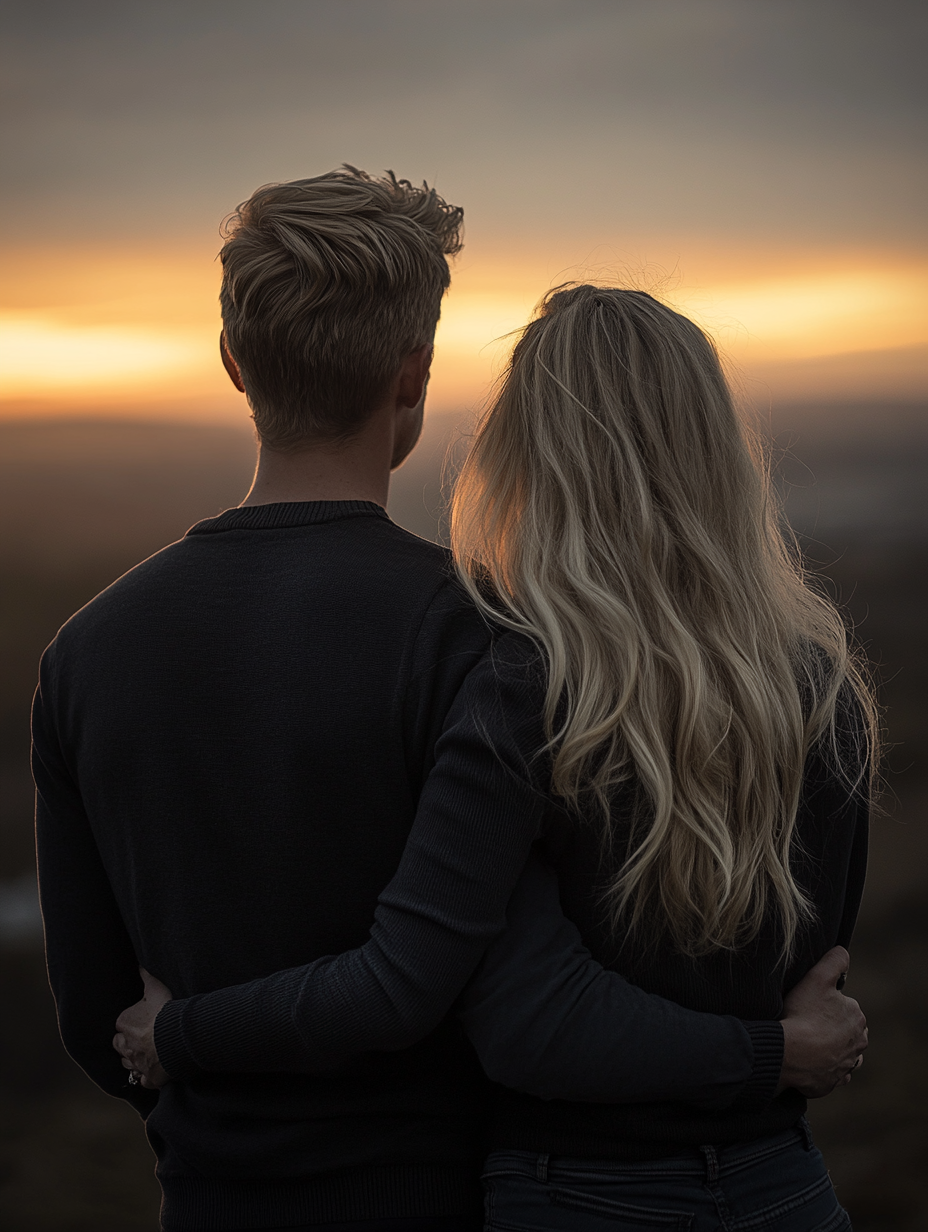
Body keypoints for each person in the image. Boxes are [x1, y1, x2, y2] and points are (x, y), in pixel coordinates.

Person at [33, 167, 865, 1232]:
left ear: (233, 362)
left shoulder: (85, 652)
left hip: (208, 1192)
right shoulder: (491, 635)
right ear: (413, 375)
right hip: (444, 1190)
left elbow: (93, 1016)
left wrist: (194, 1060)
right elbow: (484, 985)